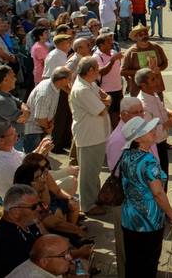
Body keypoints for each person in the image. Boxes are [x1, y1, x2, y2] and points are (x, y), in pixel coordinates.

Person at [119, 116, 172, 277]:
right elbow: (158, 193)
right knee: (148, 264)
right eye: (147, 131)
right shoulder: (148, 161)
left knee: (133, 262)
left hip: (129, 216)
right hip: (149, 220)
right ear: (138, 139)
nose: (153, 132)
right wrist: (171, 214)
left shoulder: (126, 155)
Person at [106, 97, 159, 278]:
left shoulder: (142, 132)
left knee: (143, 250)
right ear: (123, 115)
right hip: (128, 201)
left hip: (144, 199)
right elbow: (121, 175)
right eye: (135, 113)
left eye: (141, 112)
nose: (140, 116)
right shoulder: (117, 140)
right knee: (127, 249)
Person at [69, 56, 111, 216]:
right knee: (89, 174)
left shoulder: (89, 84)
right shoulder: (82, 89)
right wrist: (106, 102)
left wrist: (105, 101)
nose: (99, 70)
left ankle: (94, 199)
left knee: (94, 171)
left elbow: (103, 98)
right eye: (97, 68)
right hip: (89, 136)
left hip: (96, 135)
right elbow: (102, 109)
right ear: (91, 70)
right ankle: (88, 205)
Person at [0, 184, 45, 278]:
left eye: (39, 204)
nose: (40, 208)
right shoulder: (6, 242)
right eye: (33, 207)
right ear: (15, 212)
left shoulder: (28, 223)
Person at [135, 67, 172, 182]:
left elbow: (160, 109)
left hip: (161, 144)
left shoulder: (153, 95)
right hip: (153, 148)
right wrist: (167, 124)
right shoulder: (143, 105)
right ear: (144, 85)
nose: (157, 81)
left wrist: (169, 113)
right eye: (153, 79)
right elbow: (148, 132)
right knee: (157, 181)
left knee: (163, 178)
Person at [0, 123, 54, 199]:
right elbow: (26, 180)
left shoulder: (8, 150)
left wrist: (39, 148)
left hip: (31, 188)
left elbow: (25, 159)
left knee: (71, 171)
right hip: (24, 199)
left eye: (15, 131)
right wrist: (40, 155)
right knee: (70, 178)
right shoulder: (3, 164)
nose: (17, 135)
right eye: (12, 134)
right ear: (1, 141)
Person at [23, 67, 72, 153]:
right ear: (63, 80)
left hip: (42, 129)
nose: (70, 81)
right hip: (35, 132)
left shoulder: (55, 86)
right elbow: (40, 118)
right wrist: (48, 128)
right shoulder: (45, 93)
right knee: (33, 162)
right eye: (69, 79)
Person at [121, 24, 169, 97]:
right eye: (141, 34)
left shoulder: (156, 47)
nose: (144, 36)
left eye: (146, 33)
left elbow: (165, 62)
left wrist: (160, 68)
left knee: (159, 107)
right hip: (138, 91)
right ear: (135, 38)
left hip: (157, 88)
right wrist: (141, 72)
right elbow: (122, 71)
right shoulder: (130, 52)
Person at [0, 66, 31, 150]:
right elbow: (23, 118)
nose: (15, 79)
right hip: (10, 142)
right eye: (13, 76)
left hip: (13, 140)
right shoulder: (1, 101)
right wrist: (27, 111)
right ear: (5, 80)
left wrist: (26, 110)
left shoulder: (3, 93)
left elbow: (19, 102)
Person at [93, 33, 124, 129]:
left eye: (111, 41)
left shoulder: (113, 52)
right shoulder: (96, 57)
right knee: (110, 116)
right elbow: (101, 72)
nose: (111, 43)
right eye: (108, 42)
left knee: (118, 114)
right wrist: (112, 60)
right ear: (101, 45)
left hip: (118, 89)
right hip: (107, 91)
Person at [6, 234, 74, 278]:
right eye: (63, 255)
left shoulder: (36, 264)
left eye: (68, 252)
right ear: (44, 262)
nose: (70, 258)